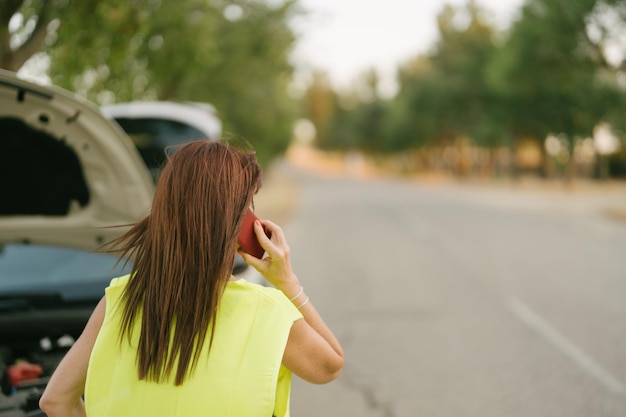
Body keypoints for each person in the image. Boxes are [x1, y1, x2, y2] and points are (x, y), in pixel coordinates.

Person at [39, 140, 344, 417]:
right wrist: (287, 280)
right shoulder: (268, 313)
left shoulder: (118, 302)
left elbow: (55, 401)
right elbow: (330, 365)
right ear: (238, 224)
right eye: (250, 206)